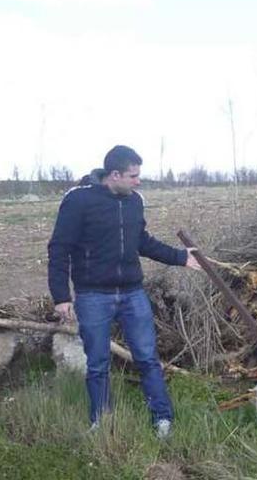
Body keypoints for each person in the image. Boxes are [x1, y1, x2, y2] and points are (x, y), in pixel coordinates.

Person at [47, 145, 200, 438]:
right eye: (133, 176)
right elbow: (59, 248)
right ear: (114, 174)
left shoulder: (134, 201)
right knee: (98, 363)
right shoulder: (78, 200)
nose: (138, 181)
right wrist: (61, 296)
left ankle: (162, 419)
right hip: (93, 296)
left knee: (147, 357)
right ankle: (102, 422)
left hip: (132, 293)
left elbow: (141, 241)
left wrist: (181, 257)